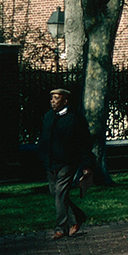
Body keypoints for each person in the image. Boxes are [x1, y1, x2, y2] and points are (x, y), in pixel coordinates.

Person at [40, 87, 94, 239]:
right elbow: (44, 139)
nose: (52, 101)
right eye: (51, 98)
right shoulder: (49, 116)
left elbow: (84, 143)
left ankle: (61, 228)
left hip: (67, 162)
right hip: (51, 162)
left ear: (65, 100)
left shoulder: (75, 118)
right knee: (56, 193)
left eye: (56, 98)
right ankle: (77, 217)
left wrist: (87, 165)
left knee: (60, 193)